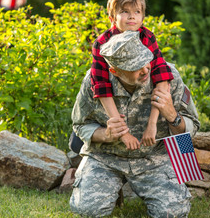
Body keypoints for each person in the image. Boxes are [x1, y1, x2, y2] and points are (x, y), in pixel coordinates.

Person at [70, 30, 200, 217]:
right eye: (135, 67)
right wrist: (105, 134)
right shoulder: (94, 80)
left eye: (145, 61)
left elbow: (193, 126)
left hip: (154, 157)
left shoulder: (168, 76)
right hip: (106, 157)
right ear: (114, 71)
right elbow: (80, 125)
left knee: (173, 213)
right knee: (87, 210)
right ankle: (111, 192)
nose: (145, 69)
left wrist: (173, 115)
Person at [91, 0, 174, 147]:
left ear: (143, 17)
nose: (131, 16)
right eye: (124, 11)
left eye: (137, 11)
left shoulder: (147, 37)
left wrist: (152, 125)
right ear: (112, 18)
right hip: (117, 106)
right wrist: (123, 133)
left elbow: (161, 78)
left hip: (148, 106)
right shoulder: (102, 44)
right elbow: (101, 87)